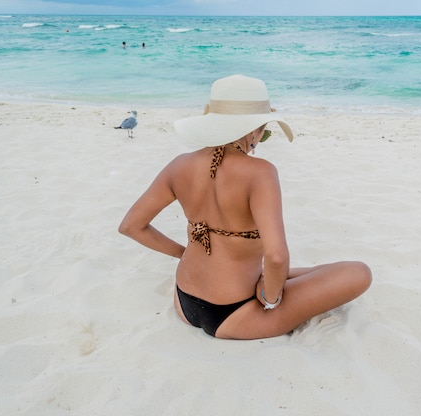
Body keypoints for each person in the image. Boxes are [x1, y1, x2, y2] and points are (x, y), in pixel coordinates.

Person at [119, 74, 372, 339]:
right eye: (265, 132)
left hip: (184, 302)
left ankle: (278, 278)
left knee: (293, 272)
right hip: (235, 313)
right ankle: (274, 283)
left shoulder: (179, 164)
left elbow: (131, 226)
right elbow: (276, 256)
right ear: (254, 129)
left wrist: (183, 253)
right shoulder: (260, 173)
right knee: (358, 272)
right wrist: (271, 298)